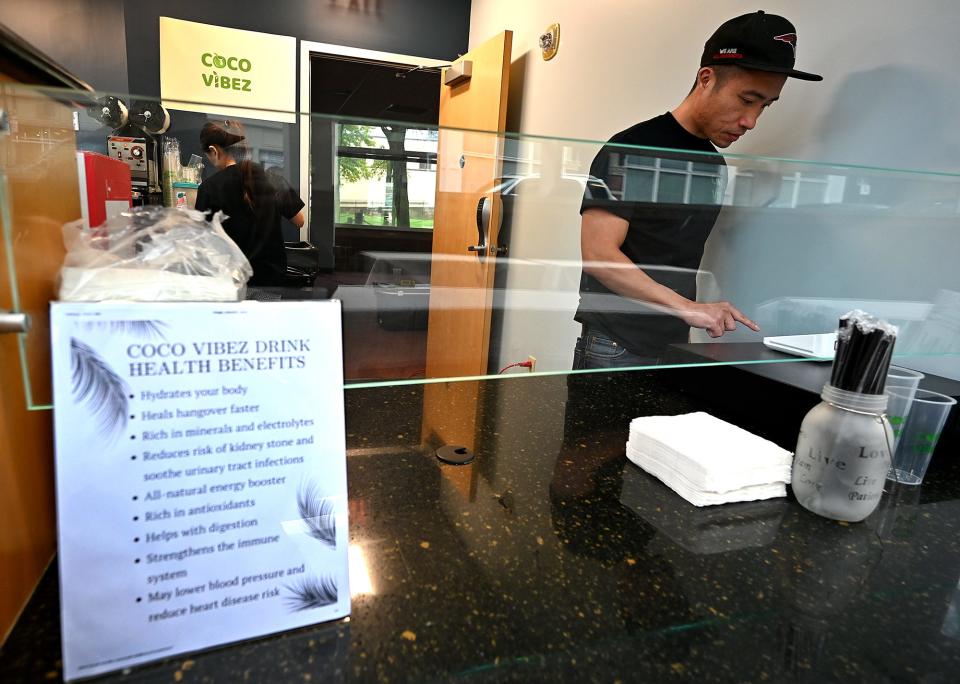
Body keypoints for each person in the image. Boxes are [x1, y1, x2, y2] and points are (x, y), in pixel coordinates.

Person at [574, 11, 822, 369]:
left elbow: (675, 257)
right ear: (706, 78)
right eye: (747, 100)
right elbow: (599, 256)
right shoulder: (633, 148)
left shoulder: (713, 165)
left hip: (673, 344)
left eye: (764, 106)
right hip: (615, 345)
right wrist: (689, 308)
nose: (750, 121)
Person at [195, 121, 305, 287]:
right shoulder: (272, 176)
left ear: (214, 151)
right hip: (271, 280)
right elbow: (299, 220)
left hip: (233, 282)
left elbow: (202, 243)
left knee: (236, 314)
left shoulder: (209, 188)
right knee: (265, 313)